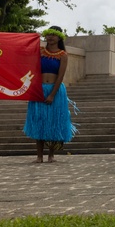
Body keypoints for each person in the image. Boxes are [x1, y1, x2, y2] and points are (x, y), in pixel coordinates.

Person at [23, 26, 76, 163]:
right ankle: (39, 156)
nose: (50, 37)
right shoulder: (40, 52)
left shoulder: (63, 55)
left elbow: (60, 76)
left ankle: (51, 155)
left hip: (55, 90)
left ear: (59, 37)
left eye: (53, 35)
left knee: (53, 122)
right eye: (48, 35)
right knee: (39, 121)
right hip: (39, 89)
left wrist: (52, 94)